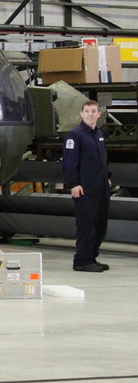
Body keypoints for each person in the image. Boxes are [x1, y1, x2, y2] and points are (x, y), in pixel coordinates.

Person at [62, 99, 112, 273]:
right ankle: (81, 260)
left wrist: (108, 177)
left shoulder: (98, 134)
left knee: (100, 225)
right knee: (87, 225)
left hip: (101, 187)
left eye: (94, 111)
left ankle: (91, 257)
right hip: (85, 188)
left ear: (99, 114)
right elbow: (69, 162)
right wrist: (73, 184)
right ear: (81, 114)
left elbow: (103, 159)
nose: (90, 114)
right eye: (87, 111)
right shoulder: (75, 135)